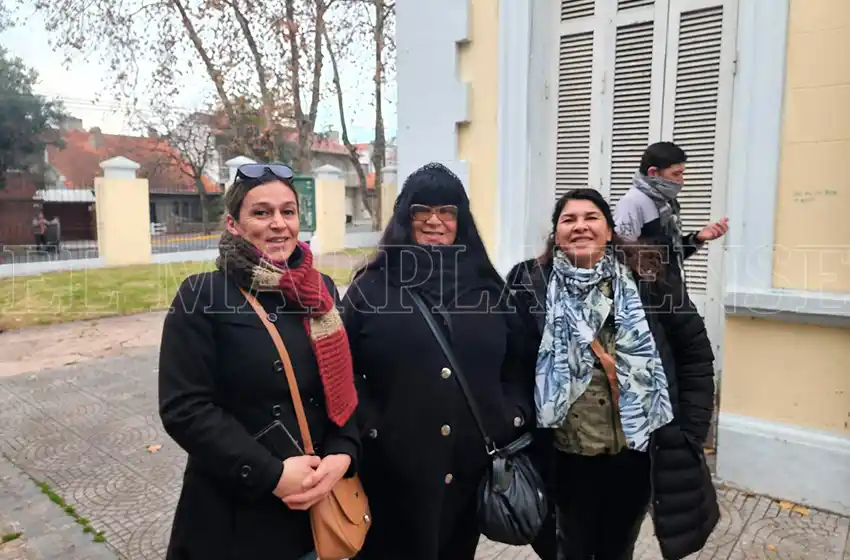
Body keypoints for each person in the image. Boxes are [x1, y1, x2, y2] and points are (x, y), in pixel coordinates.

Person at [158, 163, 361, 560]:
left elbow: (343, 385)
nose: (278, 224)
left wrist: (344, 453)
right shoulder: (202, 296)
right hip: (237, 519)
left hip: (318, 514)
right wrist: (273, 475)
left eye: (288, 212)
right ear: (234, 224)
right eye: (262, 212)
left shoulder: (320, 291)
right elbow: (185, 408)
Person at [507, 188, 718, 560]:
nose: (580, 226)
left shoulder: (651, 277)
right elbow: (507, 363)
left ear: (609, 230)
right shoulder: (528, 284)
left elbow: (695, 355)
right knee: (569, 546)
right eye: (568, 219)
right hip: (564, 454)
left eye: (591, 218)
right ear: (555, 234)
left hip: (635, 452)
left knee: (618, 547)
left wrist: (691, 431)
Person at [342, 162, 535, 560]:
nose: (435, 221)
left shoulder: (490, 290)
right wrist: (371, 426)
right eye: (422, 211)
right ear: (405, 217)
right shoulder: (370, 288)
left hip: (467, 474)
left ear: (459, 220)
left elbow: (520, 363)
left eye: (447, 211)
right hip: (390, 476)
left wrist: (509, 416)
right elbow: (342, 370)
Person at [613, 141, 729, 280]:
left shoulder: (667, 202)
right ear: (653, 173)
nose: (681, 181)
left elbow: (671, 255)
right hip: (650, 298)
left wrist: (698, 238)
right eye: (676, 174)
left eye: (682, 174)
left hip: (672, 293)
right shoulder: (633, 203)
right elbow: (622, 257)